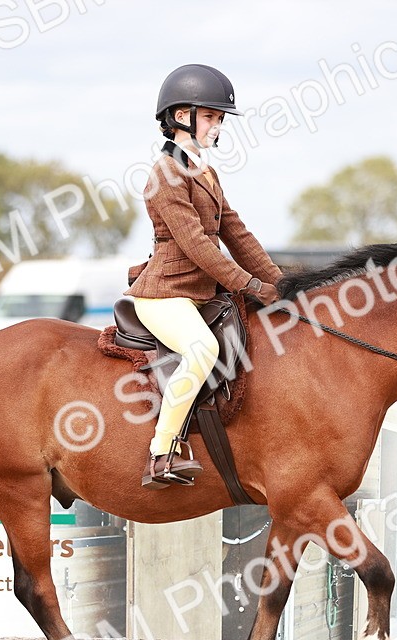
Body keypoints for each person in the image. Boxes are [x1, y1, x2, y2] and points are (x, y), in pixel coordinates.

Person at [125, 64, 283, 489]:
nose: (218, 125)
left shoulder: (203, 171)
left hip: (200, 292)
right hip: (165, 294)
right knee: (201, 350)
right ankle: (161, 454)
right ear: (182, 117)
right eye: (211, 116)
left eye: (219, 118)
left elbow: (236, 232)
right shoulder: (164, 174)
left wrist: (281, 283)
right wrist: (250, 286)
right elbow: (198, 245)